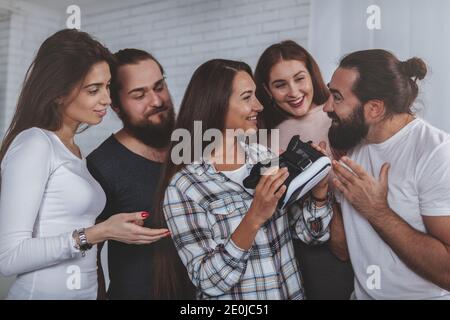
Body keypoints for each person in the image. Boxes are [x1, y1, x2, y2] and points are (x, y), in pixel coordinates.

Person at [153, 59, 338, 300]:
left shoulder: (264, 156)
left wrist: (319, 190)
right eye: (247, 97)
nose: (259, 106)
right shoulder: (184, 187)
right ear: (217, 103)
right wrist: (254, 217)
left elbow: (311, 235)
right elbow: (208, 281)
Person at [0, 29, 164, 300]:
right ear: (58, 94)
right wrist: (100, 232)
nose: (107, 100)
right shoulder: (34, 143)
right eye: (93, 90)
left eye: (108, 86)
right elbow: (9, 257)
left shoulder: (74, 151)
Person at [326, 49, 450, 299]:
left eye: (337, 97)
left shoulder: (437, 153)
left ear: (374, 108)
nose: (326, 106)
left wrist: (376, 211)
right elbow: (342, 251)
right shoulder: (351, 147)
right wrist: (327, 191)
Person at [254, 40, 354, 299]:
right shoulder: (266, 139)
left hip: (362, 234)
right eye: (280, 85)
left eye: (300, 79)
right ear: (267, 90)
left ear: (313, 75)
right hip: (311, 251)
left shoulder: (338, 115)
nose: (294, 92)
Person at [87, 49, 175, 300]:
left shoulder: (191, 146)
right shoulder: (101, 165)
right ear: (115, 104)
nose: (157, 101)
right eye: (139, 95)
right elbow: (89, 256)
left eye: (159, 87)